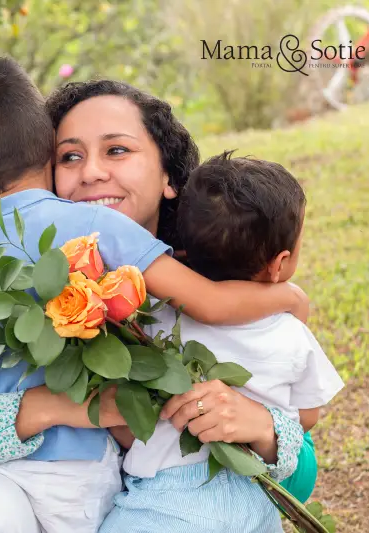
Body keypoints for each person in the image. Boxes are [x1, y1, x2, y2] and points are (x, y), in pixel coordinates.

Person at [0, 75, 319, 532]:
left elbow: (301, 478)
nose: (91, 171)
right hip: (20, 511)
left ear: (169, 176)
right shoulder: (9, 302)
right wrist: (51, 407)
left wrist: (263, 428)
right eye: (70, 156)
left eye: (117, 150)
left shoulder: (224, 300)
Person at [100, 152, 344, 533]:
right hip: (250, 499)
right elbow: (305, 418)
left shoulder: (153, 315)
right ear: (279, 263)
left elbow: (126, 421)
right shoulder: (291, 332)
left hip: (159, 503)